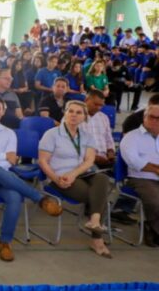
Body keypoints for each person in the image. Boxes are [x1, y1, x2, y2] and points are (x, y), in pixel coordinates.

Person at [0, 95, 62, 261]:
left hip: (1, 179)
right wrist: (2, 157)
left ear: (3, 112)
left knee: (14, 196)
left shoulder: (10, 134)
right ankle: (39, 198)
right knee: (0, 172)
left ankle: (5, 242)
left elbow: (10, 162)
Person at [39, 100, 115, 258]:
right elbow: (43, 162)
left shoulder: (87, 136)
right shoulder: (51, 134)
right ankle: (97, 238)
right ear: (64, 113)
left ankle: (94, 219)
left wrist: (74, 174)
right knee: (96, 196)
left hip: (81, 173)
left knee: (102, 178)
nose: (74, 115)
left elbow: (89, 161)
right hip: (59, 176)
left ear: (84, 117)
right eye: (70, 111)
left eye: (78, 112)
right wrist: (56, 178)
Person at [120, 101, 159, 247]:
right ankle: (154, 230)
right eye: (151, 117)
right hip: (141, 178)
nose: (154, 121)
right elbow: (134, 162)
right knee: (156, 202)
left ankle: (151, 227)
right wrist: (156, 169)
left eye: (158, 118)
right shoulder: (131, 137)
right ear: (144, 117)